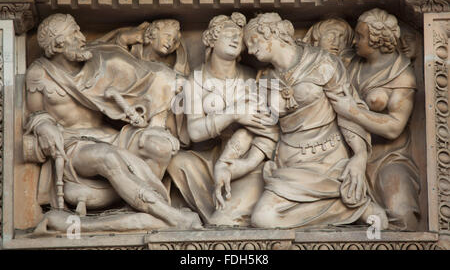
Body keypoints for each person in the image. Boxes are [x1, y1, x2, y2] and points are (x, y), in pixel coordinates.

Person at [24, 13, 201, 232]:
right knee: (107, 157)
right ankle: (170, 215)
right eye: (74, 33)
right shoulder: (38, 73)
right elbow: (35, 114)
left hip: (111, 136)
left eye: (79, 30)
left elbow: (119, 52)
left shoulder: (93, 58)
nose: (82, 37)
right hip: (73, 146)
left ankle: (135, 205)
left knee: (160, 145)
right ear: (59, 44)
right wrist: (43, 125)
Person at [243, 12, 388, 229]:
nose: (251, 50)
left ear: (271, 33)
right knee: (262, 219)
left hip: (330, 159)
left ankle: (354, 206)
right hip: (290, 164)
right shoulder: (264, 80)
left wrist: (359, 157)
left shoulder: (323, 62)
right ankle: (347, 208)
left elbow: (348, 112)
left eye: (253, 41)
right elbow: (263, 129)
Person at [167, 13, 279, 226]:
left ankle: (224, 214)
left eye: (239, 36)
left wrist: (235, 162)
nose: (236, 39)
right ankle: (209, 212)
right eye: (229, 34)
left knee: (225, 222)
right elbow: (195, 133)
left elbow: (266, 127)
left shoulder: (252, 76)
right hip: (212, 158)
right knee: (178, 162)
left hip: (248, 157)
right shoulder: (196, 81)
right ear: (210, 40)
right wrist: (234, 113)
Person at [327, 8, 420, 230]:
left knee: (403, 217)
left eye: (360, 36)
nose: (354, 41)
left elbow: (394, 127)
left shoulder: (402, 75)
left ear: (378, 40)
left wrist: (352, 111)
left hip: (386, 157)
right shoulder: (351, 62)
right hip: (344, 152)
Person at [91, 19, 190, 76]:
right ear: (154, 32)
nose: (170, 43)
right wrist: (122, 40)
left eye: (174, 40)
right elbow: (107, 56)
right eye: (167, 36)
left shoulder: (168, 66)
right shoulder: (133, 40)